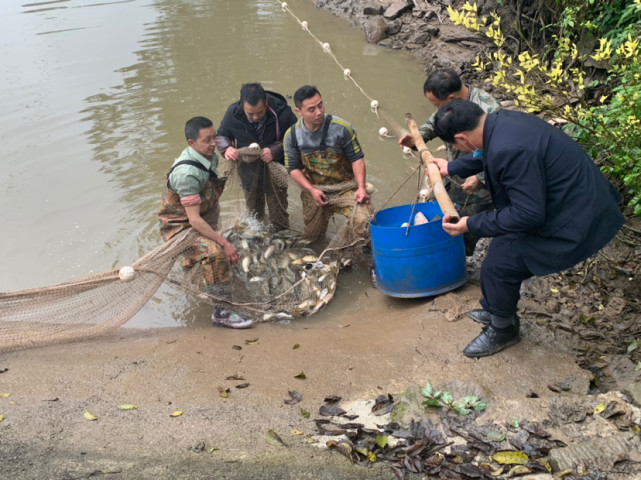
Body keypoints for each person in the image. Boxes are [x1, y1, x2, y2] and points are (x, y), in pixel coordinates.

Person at [431, 100, 623, 358]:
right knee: (499, 248)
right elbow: (485, 155)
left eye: (456, 147)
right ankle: (496, 308)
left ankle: (503, 329)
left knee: (499, 267)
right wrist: (452, 167)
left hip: (578, 216)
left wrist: (471, 224)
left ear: (461, 138)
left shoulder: (509, 149)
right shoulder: (501, 122)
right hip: (570, 197)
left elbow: (528, 214)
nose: (459, 149)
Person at [158, 116, 253, 329]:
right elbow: (193, 220)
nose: (213, 144)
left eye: (214, 137)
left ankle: (191, 262)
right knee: (214, 252)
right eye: (207, 140)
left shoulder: (209, 156)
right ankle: (222, 312)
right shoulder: (187, 174)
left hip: (200, 215)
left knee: (214, 244)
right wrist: (224, 244)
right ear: (192, 143)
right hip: (180, 227)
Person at [399, 68, 502, 256]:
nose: (436, 110)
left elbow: (500, 153)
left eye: (437, 105)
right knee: (430, 216)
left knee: (463, 231)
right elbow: (433, 124)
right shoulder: (447, 106)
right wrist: (416, 139)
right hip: (450, 175)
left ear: (452, 98)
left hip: (479, 187)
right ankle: (429, 254)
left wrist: (480, 178)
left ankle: (455, 268)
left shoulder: (489, 111)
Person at [283, 85, 373, 245]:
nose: (319, 112)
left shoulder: (342, 129)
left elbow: (357, 159)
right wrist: (311, 190)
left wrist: (361, 187)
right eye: (311, 109)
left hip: (346, 189)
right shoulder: (292, 136)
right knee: (313, 238)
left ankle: (364, 257)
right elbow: (293, 168)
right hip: (314, 191)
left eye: (320, 105)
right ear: (299, 112)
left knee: (364, 221)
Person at [216, 83, 297, 231]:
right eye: (250, 114)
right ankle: (257, 231)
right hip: (248, 166)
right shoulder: (232, 113)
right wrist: (226, 148)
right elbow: (221, 135)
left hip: (276, 165)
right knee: (253, 206)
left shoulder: (282, 112)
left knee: (277, 203)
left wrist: (274, 150)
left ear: (266, 104)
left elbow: (294, 136)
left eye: (260, 113)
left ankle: (280, 231)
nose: (255, 117)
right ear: (242, 106)